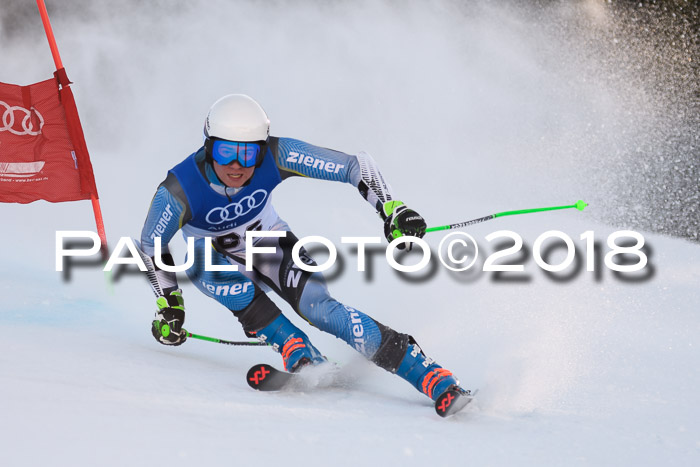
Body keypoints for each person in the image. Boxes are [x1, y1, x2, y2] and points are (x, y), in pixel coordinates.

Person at [140, 94, 466, 402]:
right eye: (226, 152)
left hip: (271, 244)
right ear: (208, 146)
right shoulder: (178, 189)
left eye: (248, 153)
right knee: (203, 267)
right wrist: (170, 302)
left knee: (320, 309)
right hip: (213, 259)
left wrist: (392, 208)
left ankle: (425, 372)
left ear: (262, 150)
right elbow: (151, 244)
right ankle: (292, 344)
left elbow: (354, 166)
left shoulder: (277, 154)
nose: (237, 165)